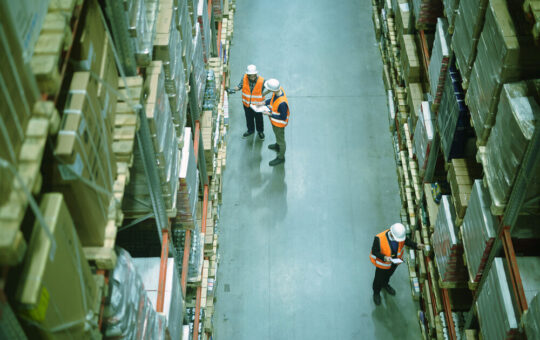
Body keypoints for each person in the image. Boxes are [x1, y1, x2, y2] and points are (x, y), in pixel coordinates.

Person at [370, 223, 424, 306]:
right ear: (391, 233)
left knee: (388, 275)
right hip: (383, 265)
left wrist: (416, 245)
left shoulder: (399, 236)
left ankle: (385, 285)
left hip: (394, 262)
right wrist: (384, 257)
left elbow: (406, 241)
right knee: (378, 279)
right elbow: (374, 251)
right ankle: (376, 293)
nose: (399, 241)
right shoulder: (379, 238)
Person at [227, 64, 267, 140]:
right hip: (247, 104)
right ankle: (251, 130)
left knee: (259, 119)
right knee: (249, 118)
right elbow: (240, 86)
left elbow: (267, 89)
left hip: (258, 104)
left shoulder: (262, 81)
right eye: (250, 76)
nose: (252, 77)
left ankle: (260, 131)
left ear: (256, 74)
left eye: (254, 75)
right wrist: (235, 89)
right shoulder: (244, 78)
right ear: (248, 75)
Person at [260, 79, 289, 166]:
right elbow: (272, 100)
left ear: (273, 90)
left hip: (279, 124)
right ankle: (277, 145)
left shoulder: (282, 103)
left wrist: (270, 114)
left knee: (281, 140)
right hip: (274, 122)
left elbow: (283, 117)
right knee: (277, 135)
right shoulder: (278, 91)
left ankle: (281, 157)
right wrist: (265, 102)